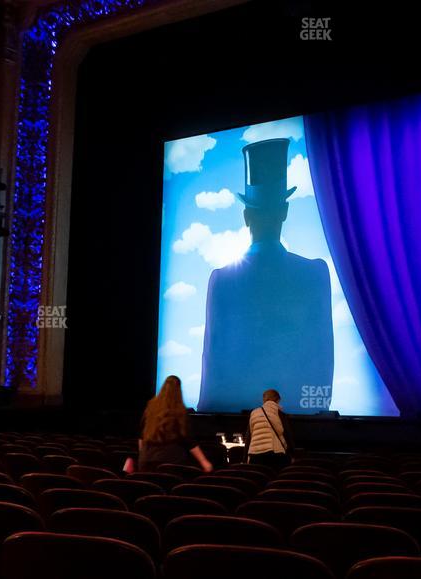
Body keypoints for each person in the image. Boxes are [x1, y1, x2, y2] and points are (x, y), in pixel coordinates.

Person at [199, 138, 334, 413]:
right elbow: (323, 360)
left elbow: (213, 363)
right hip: (302, 420)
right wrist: (317, 413)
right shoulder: (315, 274)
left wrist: (208, 416)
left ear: (246, 216)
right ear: (284, 212)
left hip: (235, 418)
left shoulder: (221, 280)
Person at [138, 376, 213, 473]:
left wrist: (142, 457)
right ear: (178, 391)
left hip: (147, 463)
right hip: (172, 465)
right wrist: (204, 462)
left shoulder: (150, 409)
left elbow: (141, 437)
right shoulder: (180, 412)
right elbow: (189, 441)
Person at [246, 389, 292, 469]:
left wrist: (245, 458)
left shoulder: (254, 413)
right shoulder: (280, 413)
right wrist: (292, 454)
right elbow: (287, 434)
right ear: (278, 400)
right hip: (275, 454)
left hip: (255, 454)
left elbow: (249, 436)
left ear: (264, 399)